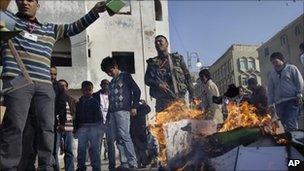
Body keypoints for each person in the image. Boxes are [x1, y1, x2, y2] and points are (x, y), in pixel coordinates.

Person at [0, 0, 107, 169]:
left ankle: (47, 166)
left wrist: (94, 11)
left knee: (47, 129)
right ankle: (8, 167)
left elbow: (74, 28)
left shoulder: (50, 29)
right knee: (14, 127)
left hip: (44, 86)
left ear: (38, 5)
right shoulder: (10, 22)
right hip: (17, 81)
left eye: (30, 0)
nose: (25, 3)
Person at [17, 66, 67, 171]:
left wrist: (62, 122)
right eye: (50, 74)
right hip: (30, 122)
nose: (53, 76)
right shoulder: (33, 83)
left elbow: (61, 106)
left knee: (48, 151)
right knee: (29, 150)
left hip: (49, 122)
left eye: (55, 74)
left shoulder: (59, 87)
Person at [101, 57, 140, 169]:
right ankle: (124, 163)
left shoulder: (125, 76)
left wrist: (134, 106)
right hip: (113, 112)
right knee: (118, 138)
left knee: (124, 136)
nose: (109, 73)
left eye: (110, 70)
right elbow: (111, 100)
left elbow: (137, 91)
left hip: (123, 111)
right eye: (106, 72)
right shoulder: (112, 82)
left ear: (116, 66)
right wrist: (108, 115)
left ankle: (133, 162)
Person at [144, 35, 194, 112]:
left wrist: (192, 94)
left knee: (182, 123)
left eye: (160, 41)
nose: (158, 43)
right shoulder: (153, 63)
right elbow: (147, 79)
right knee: (163, 124)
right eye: (156, 42)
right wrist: (159, 84)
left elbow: (187, 76)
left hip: (179, 100)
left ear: (167, 44)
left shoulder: (177, 59)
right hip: (162, 102)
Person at [268, 52, 304, 132]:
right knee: (284, 124)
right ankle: (292, 141)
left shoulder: (291, 68)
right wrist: (270, 104)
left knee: (291, 123)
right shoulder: (272, 74)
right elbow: (270, 90)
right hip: (279, 104)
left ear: (282, 60)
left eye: (275, 61)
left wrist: (299, 94)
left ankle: (295, 141)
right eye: (273, 63)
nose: (274, 64)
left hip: (292, 100)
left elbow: (300, 82)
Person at [74, 81, 102, 171]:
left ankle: (96, 167)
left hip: (93, 129)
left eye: (89, 90)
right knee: (81, 150)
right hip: (82, 129)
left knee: (94, 150)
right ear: (82, 90)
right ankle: (81, 167)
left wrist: (98, 129)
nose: (88, 92)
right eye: (85, 90)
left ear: (92, 90)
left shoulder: (95, 102)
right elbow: (76, 117)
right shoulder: (79, 103)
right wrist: (75, 129)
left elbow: (99, 117)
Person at [92, 79, 116, 171]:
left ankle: (112, 167)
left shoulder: (113, 95)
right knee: (97, 146)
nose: (105, 85)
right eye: (104, 84)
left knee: (111, 146)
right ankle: (97, 167)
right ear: (101, 85)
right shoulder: (95, 96)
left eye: (107, 84)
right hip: (99, 124)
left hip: (110, 124)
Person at [58, 79, 77, 171]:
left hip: (69, 129)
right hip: (57, 129)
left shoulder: (72, 100)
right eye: (60, 85)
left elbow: (74, 115)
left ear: (67, 88)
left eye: (64, 85)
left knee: (69, 151)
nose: (63, 87)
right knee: (54, 152)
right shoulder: (54, 99)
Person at [130, 100, 151, 168]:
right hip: (139, 131)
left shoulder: (130, 107)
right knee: (141, 149)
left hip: (135, 131)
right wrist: (145, 104)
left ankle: (140, 164)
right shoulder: (141, 107)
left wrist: (145, 104)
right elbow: (148, 109)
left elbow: (148, 109)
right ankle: (142, 163)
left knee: (138, 149)